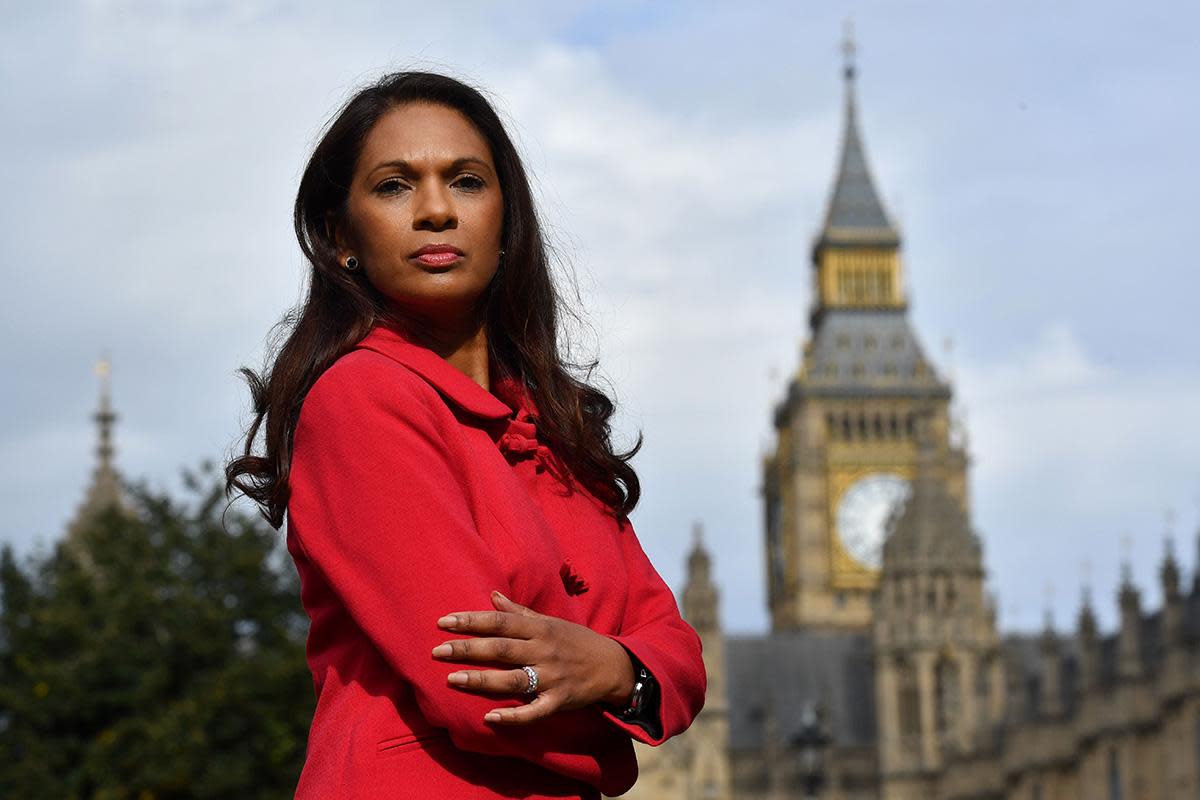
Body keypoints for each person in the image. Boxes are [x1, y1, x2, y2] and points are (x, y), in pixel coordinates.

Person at [225, 71, 706, 799]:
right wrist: (622, 713)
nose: (436, 210)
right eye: (394, 186)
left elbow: (678, 652)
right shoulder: (360, 396)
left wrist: (610, 671)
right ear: (340, 235)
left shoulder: (553, 427)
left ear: (506, 219)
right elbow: (478, 693)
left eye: (467, 181)